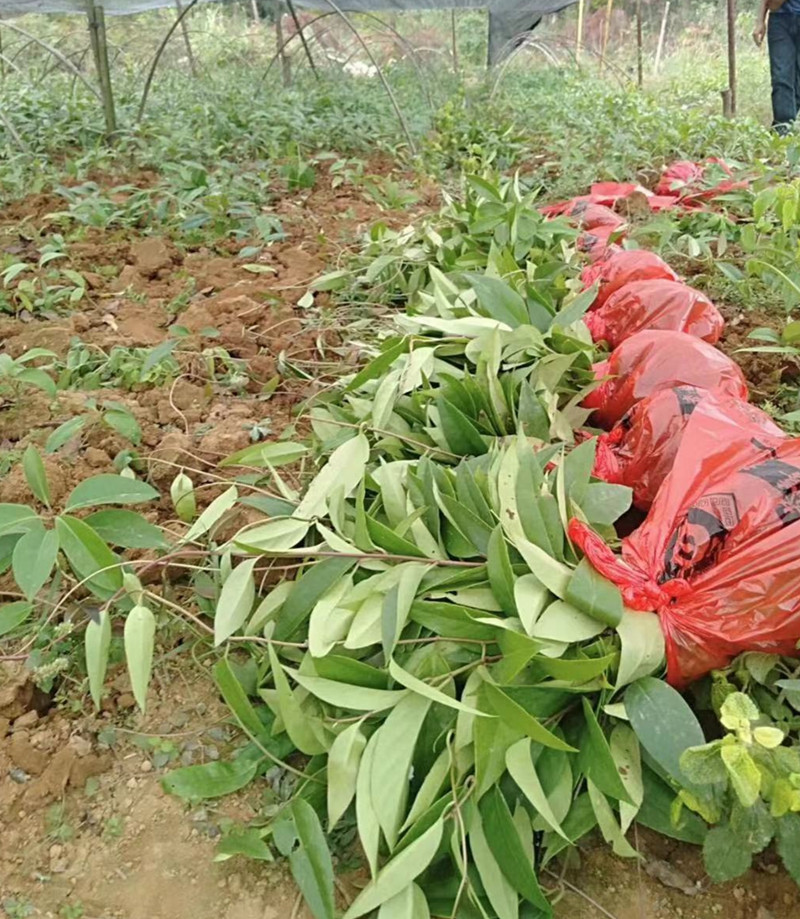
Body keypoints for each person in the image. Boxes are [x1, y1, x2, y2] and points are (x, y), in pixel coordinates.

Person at [754, 0, 800, 134]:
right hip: (780, 19)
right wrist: (760, 21)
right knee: (781, 76)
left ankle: (788, 123)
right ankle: (782, 129)